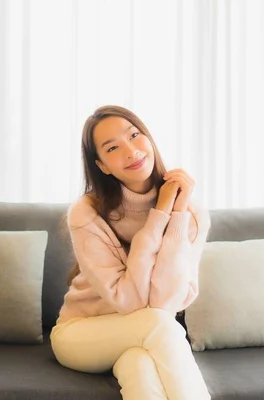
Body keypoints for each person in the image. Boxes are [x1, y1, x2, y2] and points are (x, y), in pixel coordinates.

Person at [51, 105, 212, 400]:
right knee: (159, 325)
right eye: (113, 147)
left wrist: (177, 214)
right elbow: (130, 302)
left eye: (134, 135)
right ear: (102, 166)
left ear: (149, 139)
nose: (131, 151)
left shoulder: (191, 213)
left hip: (141, 334)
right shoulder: (87, 212)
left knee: (140, 367)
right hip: (81, 333)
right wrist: (160, 213)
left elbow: (166, 302)